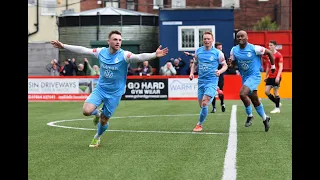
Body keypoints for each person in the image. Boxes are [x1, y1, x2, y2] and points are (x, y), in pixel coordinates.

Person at [51, 30, 168, 147]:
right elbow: (83, 50)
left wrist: (154, 54)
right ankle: (97, 113)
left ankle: (97, 137)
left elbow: (138, 57)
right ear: (109, 41)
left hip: (115, 94)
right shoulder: (101, 52)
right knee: (86, 111)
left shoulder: (124, 55)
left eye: (120, 40)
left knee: (104, 121)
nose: (118, 42)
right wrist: (63, 46)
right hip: (101, 89)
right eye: (115, 39)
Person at [229, 30, 275, 132]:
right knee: (255, 100)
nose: (240, 38)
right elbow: (232, 63)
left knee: (242, 94)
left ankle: (250, 115)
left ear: (247, 37)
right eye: (238, 37)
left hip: (254, 76)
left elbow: (270, 53)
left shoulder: (255, 48)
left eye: (242, 36)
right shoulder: (234, 50)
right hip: (245, 77)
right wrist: (230, 64)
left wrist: (273, 66)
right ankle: (265, 118)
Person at [184, 31, 228, 132]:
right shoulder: (198, 51)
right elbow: (195, 63)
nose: (206, 40)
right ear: (202, 40)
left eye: (208, 39)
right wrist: (191, 73)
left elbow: (225, 65)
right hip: (201, 81)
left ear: (212, 40)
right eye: (205, 39)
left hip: (212, 81)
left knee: (204, 103)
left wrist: (220, 71)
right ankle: (215, 92)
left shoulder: (218, 53)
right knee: (202, 105)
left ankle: (199, 124)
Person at [264, 40, 283, 113]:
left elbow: (281, 67)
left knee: (275, 92)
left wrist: (278, 76)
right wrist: (266, 76)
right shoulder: (268, 55)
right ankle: (277, 102)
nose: (269, 47)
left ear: (275, 46)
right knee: (266, 91)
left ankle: (277, 108)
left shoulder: (278, 55)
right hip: (270, 76)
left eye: (271, 45)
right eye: (269, 45)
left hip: (276, 76)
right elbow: (268, 67)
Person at [211, 41, 226, 113]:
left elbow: (225, 65)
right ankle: (214, 107)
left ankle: (222, 103)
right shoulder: (212, 55)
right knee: (213, 92)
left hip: (220, 76)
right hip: (212, 76)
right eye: (219, 48)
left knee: (220, 91)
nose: (220, 49)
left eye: (221, 48)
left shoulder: (222, 55)